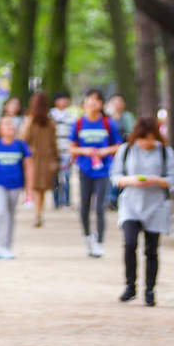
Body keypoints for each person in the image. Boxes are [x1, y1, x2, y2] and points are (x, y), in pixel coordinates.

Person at [113, 114, 174, 305]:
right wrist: (131, 180)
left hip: (156, 205)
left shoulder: (165, 152)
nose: (146, 143)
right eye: (143, 139)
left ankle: (150, 290)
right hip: (130, 204)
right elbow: (116, 176)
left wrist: (157, 180)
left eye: (150, 139)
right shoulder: (126, 150)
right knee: (130, 244)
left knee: (151, 249)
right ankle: (130, 286)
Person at [72, 87, 121, 256]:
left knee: (100, 206)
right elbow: (72, 147)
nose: (93, 103)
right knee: (84, 206)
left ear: (101, 104)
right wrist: (85, 151)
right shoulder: (79, 123)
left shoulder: (108, 123)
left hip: (103, 170)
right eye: (90, 99)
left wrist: (104, 152)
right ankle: (88, 237)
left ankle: (100, 242)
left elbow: (118, 145)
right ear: (84, 103)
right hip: (85, 169)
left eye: (96, 100)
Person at [0, 112, 31, 259]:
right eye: (6, 124)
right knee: (0, 212)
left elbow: (28, 167)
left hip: (16, 185)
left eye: (12, 124)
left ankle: (6, 246)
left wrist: (28, 191)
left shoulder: (21, 145)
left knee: (10, 215)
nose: (10, 127)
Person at [22, 92, 59, 228]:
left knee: (37, 187)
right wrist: (56, 157)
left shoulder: (31, 122)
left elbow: (23, 139)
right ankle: (38, 212)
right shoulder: (49, 123)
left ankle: (37, 213)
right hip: (45, 158)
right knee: (40, 187)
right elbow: (54, 143)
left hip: (35, 158)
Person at [50, 91, 76, 209]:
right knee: (54, 178)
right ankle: (56, 201)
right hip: (53, 152)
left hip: (67, 150)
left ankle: (66, 201)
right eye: (61, 99)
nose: (63, 101)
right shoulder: (50, 116)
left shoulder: (71, 117)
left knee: (66, 177)